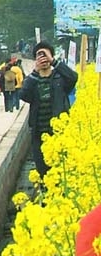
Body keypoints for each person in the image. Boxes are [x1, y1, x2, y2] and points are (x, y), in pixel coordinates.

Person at [19, 41, 78, 179]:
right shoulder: (33, 79)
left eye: (46, 55)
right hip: (39, 133)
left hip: (59, 133)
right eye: (39, 55)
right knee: (42, 171)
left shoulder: (60, 78)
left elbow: (73, 78)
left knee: (60, 169)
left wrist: (54, 62)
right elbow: (24, 95)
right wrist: (35, 71)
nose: (43, 58)